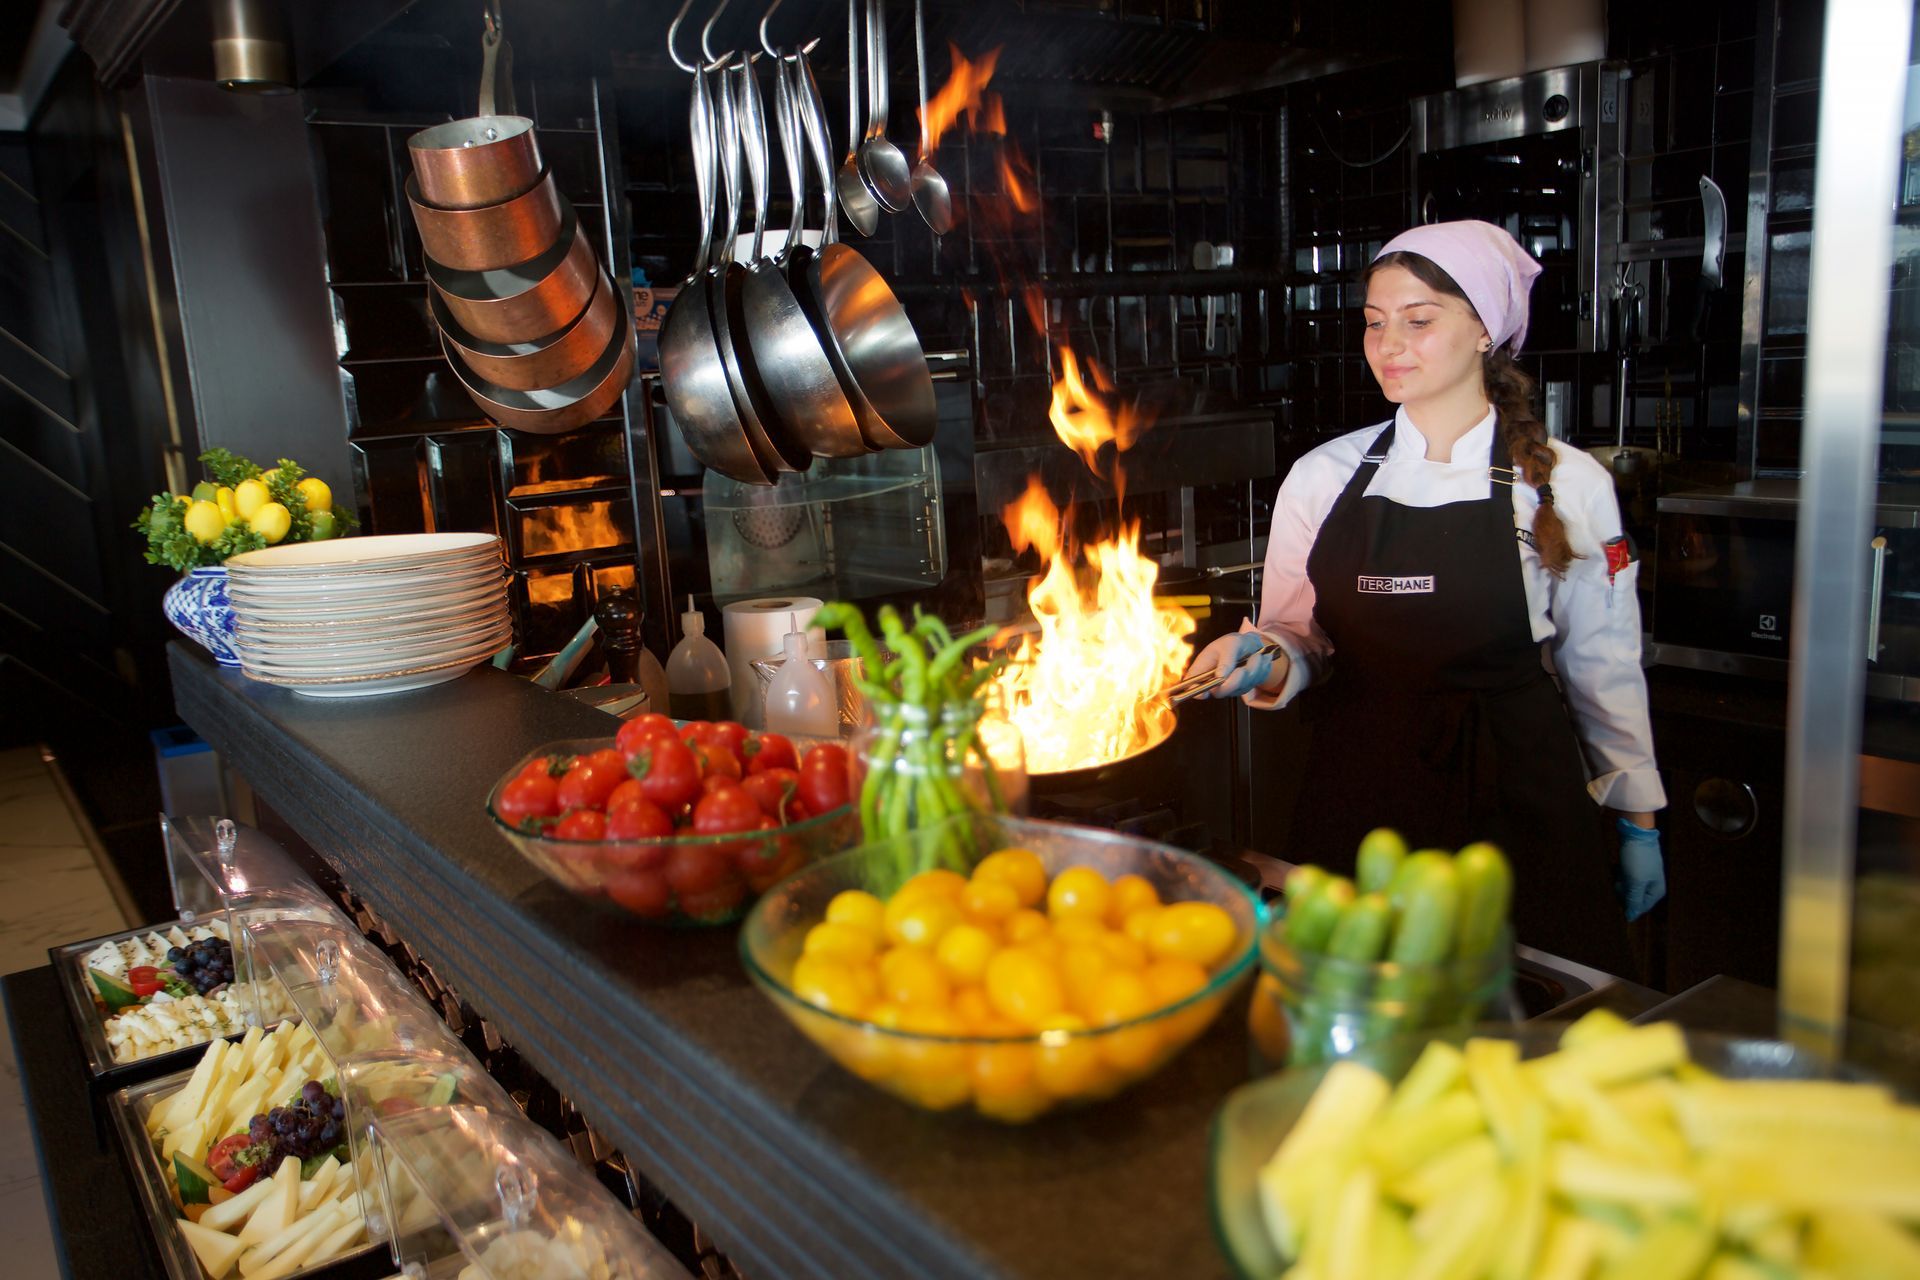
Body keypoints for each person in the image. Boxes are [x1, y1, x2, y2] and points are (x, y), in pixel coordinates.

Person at [1185, 220, 1665, 973]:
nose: (1388, 345)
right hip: (1361, 790)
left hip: (1517, 794)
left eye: (1419, 321)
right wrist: (1264, 655)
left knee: (1527, 1033)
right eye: (1375, 324)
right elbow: (1299, 638)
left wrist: (1638, 822)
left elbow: (1602, 665)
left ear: (1484, 332)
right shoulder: (1324, 475)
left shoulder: (1567, 484)